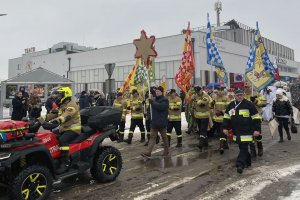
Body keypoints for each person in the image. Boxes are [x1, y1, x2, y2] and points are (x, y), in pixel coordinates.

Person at [39, 87, 81, 174]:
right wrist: (38, 119)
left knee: (63, 140)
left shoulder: (72, 105)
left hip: (73, 129)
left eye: (60, 95)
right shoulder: (61, 106)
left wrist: (57, 121)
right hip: (64, 129)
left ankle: (64, 162)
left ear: (66, 95)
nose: (58, 97)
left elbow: (66, 115)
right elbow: (51, 115)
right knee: (51, 136)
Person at [222, 88, 262, 174]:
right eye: (238, 95)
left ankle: (240, 164)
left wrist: (257, 130)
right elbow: (226, 117)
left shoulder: (249, 104)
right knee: (241, 147)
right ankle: (248, 162)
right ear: (234, 96)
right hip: (236, 131)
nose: (240, 96)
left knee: (243, 148)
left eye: (241, 95)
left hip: (247, 131)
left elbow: (256, 118)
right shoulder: (231, 105)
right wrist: (225, 128)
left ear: (243, 95)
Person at [141, 86, 169, 158]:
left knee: (164, 137)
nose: (157, 93)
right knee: (152, 137)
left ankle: (166, 150)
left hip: (161, 122)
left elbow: (161, 107)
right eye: (156, 91)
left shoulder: (165, 100)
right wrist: (147, 115)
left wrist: (153, 103)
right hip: (154, 122)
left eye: (158, 91)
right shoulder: (154, 99)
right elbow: (149, 110)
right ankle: (148, 152)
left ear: (162, 92)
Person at [245, 85, 266, 157]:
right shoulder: (243, 96)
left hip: (256, 118)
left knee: (258, 134)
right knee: (250, 135)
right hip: (247, 119)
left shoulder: (257, 94)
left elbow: (264, 103)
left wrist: (255, 101)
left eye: (247, 87)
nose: (246, 88)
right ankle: (252, 150)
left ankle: (260, 148)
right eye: (245, 87)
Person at [191, 86, 212, 150]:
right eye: (196, 92)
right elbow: (193, 105)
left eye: (198, 91)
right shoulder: (195, 96)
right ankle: (205, 143)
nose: (197, 93)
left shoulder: (206, 95)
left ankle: (201, 144)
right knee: (201, 130)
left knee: (203, 130)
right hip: (198, 116)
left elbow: (202, 104)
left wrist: (196, 100)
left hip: (205, 116)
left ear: (201, 90)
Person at [212, 86, 230, 154]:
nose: (220, 91)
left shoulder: (226, 98)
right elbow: (211, 107)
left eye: (221, 90)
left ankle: (221, 146)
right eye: (218, 90)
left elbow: (229, 109)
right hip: (216, 119)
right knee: (220, 132)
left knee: (222, 132)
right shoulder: (214, 98)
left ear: (223, 91)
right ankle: (225, 144)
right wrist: (211, 104)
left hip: (224, 119)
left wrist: (222, 112)